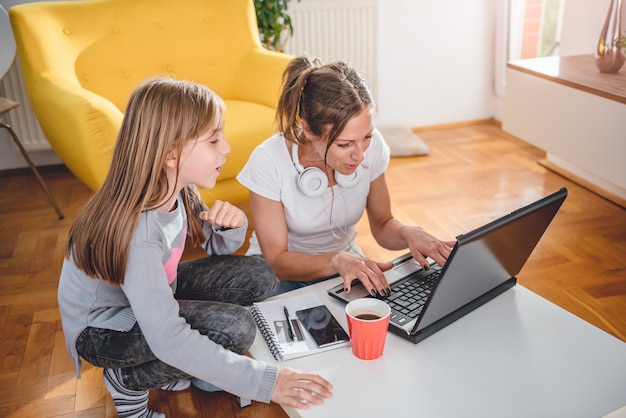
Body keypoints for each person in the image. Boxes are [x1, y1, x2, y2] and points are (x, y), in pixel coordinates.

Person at [57, 78, 332, 418]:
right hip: (104, 329)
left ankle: (166, 366)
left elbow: (216, 248)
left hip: (150, 294)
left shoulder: (175, 188)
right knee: (236, 328)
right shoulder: (138, 234)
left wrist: (231, 227)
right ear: (171, 154)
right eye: (214, 139)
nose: (227, 148)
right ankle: (127, 378)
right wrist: (267, 382)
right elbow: (168, 337)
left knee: (259, 273)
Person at [237, 56, 456, 297]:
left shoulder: (372, 148)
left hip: (345, 265)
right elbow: (277, 259)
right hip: (280, 274)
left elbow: (382, 225)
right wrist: (336, 260)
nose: (361, 155)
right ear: (308, 129)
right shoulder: (269, 161)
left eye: (367, 137)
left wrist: (408, 233)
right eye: (344, 144)